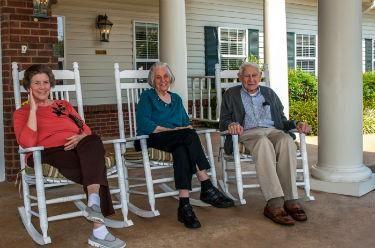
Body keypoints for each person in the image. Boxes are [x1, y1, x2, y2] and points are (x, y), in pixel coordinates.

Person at [13, 64, 125, 248]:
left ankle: (93, 204)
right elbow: (27, 143)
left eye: (46, 82)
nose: (42, 87)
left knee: (93, 139)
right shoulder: (21, 113)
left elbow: (86, 130)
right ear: (28, 87)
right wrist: (33, 110)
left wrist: (81, 137)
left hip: (78, 147)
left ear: (51, 85)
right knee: (96, 167)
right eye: (36, 83)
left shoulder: (63, 105)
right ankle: (99, 229)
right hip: (46, 152)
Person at [135, 62, 234, 229]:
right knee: (188, 135)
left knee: (182, 150)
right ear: (152, 80)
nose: (162, 80)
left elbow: (185, 123)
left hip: (176, 140)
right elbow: (143, 123)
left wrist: (180, 130)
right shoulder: (147, 97)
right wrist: (171, 130)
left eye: (165, 76)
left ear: (170, 78)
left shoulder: (176, 98)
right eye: (158, 77)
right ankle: (206, 185)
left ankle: (184, 205)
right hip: (152, 137)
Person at [219, 62, 311, 226]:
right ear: (240, 78)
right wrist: (231, 125)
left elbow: (282, 120)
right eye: (246, 76)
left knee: (287, 141)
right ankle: (274, 202)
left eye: (254, 75)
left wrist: (297, 124)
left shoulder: (269, 93)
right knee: (263, 143)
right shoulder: (231, 94)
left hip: (272, 130)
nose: (251, 79)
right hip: (248, 132)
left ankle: (290, 199)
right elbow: (224, 120)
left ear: (260, 77)